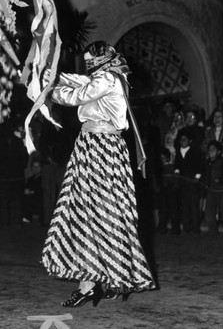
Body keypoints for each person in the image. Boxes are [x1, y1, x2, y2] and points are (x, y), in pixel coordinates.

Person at [41, 41, 155, 307]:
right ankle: (108, 280)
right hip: (94, 147)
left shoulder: (108, 78)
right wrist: (49, 74)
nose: (88, 65)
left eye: (91, 60)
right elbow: (77, 80)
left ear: (102, 59)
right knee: (97, 213)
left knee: (96, 212)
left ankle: (100, 282)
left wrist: (47, 91)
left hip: (101, 148)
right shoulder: (109, 74)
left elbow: (76, 96)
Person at [174, 129, 205, 234]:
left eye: (185, 139)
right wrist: (177, 171)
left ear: (190, 141)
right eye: (181, 140)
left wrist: (197, 177)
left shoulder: (195, 151)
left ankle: (196, 228)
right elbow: (177, 165)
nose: (182, 141)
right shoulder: (178, 152)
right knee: (184, 205)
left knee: (194, 206)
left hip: (192, 181)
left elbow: (200, 165)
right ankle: (186, 228)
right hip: (182, 182)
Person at [204, 140, 223, 234]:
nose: (211, 151)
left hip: (222, 191)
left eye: (213, 149)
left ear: (219, 151)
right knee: (209, 212)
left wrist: (220, 180)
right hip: (211, 190)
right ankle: (212, 230)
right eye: (209, 149)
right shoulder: (208, 162)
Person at [157, 147, 180, 234]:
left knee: (174, 210)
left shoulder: (172, 167)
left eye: (163, 158)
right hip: (163, 192)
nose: (162, 160)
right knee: (163, 211)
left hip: (171, 192)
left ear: (167, 158)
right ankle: (162, 228)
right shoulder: (160, 169)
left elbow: (176, 180)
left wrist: (174, 188)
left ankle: (176, 229)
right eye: (160, 158)